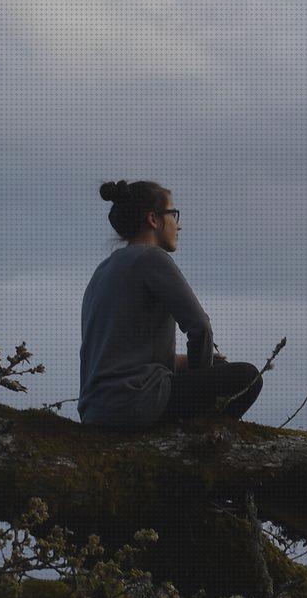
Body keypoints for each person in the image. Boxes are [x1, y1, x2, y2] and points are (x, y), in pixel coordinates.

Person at [78, 180, 263, 429]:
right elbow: (200, 327)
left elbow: (120, 354)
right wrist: (202, 377)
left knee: (216, 368)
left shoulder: (103, 270)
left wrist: (183, 364)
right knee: (248, 377)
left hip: (96, 410)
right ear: (153, 219)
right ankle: (201, 439)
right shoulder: (151, 258)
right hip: (136, 403)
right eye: (173, 215)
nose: (179, 225)